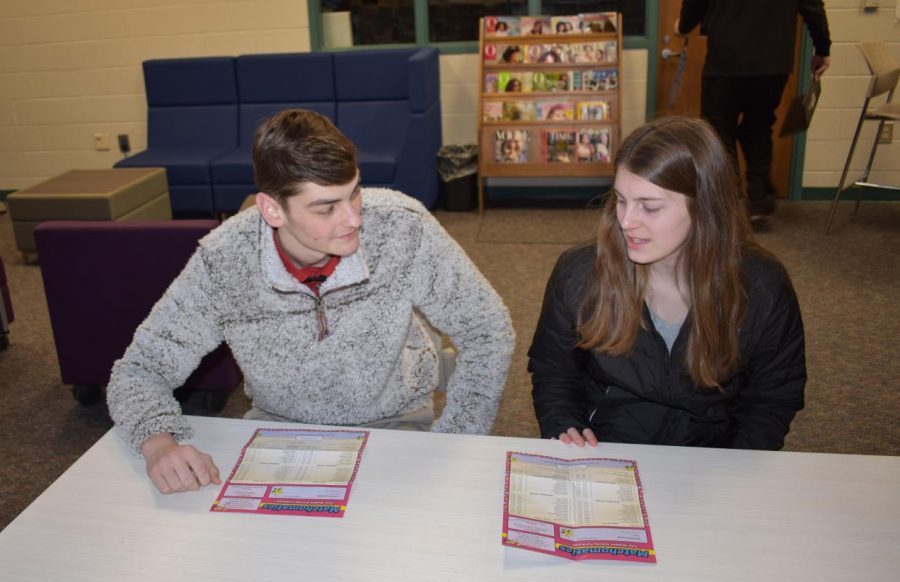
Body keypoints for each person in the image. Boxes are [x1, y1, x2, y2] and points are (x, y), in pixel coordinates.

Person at [108, 109, 515, 494]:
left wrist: (458, 437)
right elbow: (139, 370)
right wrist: (158, 442)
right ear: (272, 210)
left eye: (354, 193)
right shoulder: (225, 262)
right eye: (326, 208)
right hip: (282, 429)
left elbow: (487, 329)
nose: (354, 219)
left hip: (398, 421)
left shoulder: (402, 228)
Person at [528, 117, 806, 450]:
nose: (627, 221)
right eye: (620, 200)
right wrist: (564, 424)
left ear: (704, 207)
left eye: (650, 206)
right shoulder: (580, 274)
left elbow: (773, 396)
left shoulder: (761, 287)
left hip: (714, 454)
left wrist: (739, 463)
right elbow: (553, 369)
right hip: (608, 447)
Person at [676, 0, 831, 231]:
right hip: (772, 64)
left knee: (719, 133)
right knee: (758, 129)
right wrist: (822, 49)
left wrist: (684, 25)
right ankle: (758, 201)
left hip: (726, 62)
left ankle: (730, 203)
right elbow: (813, 8)